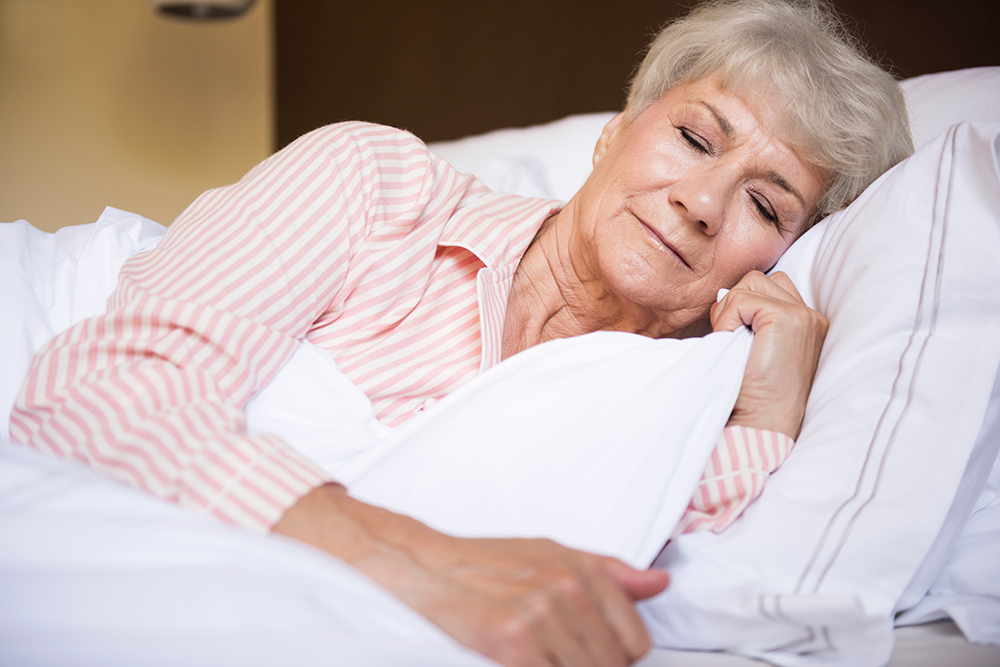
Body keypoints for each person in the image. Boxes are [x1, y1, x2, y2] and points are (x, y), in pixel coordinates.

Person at [10, 1, 912, 665]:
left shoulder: (686, 393)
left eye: (765, 201)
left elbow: (695, 582)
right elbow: (105, 391)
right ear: (614, 133)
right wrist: (418, 565)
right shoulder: (375, 185)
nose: (702, 203)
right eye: (693, 137)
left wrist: (768, 402)